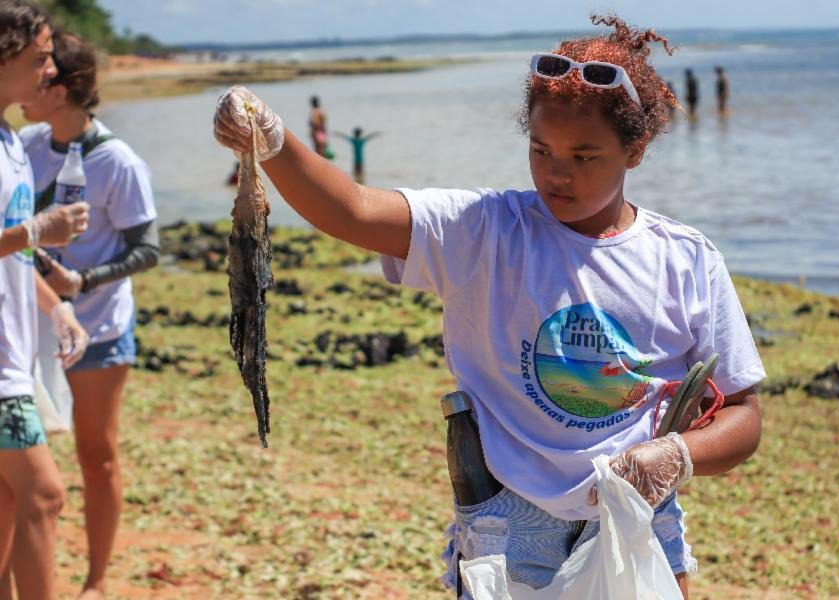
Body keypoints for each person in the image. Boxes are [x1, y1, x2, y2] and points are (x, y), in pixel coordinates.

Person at [214, 14, 765, 599]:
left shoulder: (684, 259)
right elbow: (352, 210)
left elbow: (743, 418)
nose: (557, 172)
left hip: (640, 523)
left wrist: (676, 455)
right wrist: (272, 140)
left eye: (584, 157)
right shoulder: (484, 233)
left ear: (636, 149)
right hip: (507, 530)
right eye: (541, 149)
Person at [18, 30, 159, 599]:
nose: (27, 85)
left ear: (65, 87)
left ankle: (97, 581)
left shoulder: (117, 160)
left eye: (41, 74)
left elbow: (147, 249)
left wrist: (84, 280)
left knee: (95, 456)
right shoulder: (24, 144)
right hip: (30, 325)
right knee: (23, 470)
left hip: (99, 330)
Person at [0, 2, 90, 599]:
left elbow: (9, 256)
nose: (50, 70)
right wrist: (35, 231)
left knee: (8, 508)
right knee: (45, 495)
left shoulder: (9, 138)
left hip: (15, 356)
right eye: (38, 58)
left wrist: (54, 307)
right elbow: (17, 239)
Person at [308, 95, 333, 159]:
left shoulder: (315, 112)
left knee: (319, 154)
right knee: (323, 153)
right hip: (322, 133)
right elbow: (324, 123)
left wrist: (311, 125)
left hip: (318, 133)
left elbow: (314, 123)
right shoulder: (321, 111)